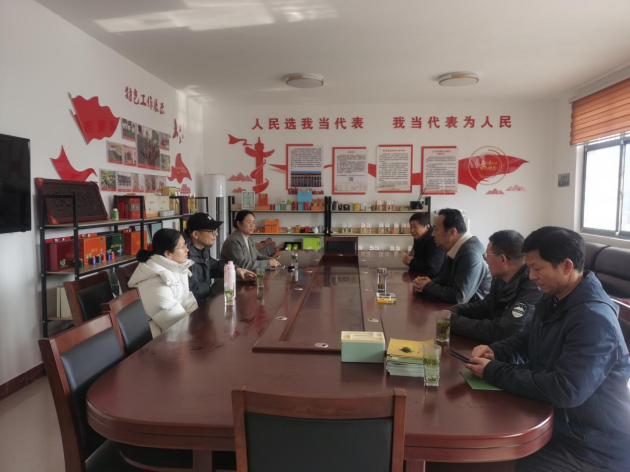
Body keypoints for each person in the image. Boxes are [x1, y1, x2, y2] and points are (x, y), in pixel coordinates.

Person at [466, 227, 630, 472]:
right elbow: (526, 338)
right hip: (557, 422)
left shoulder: (593, 319)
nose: (531, 276)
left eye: (537, 268)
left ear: (566, 266)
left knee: (496, 462)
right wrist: (496, 351)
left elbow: (565, 389)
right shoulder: (555, 297)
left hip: (591, 446)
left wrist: (494, 371)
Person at [448, 230, 542, 343]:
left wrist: (452, 321)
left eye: (487, 255)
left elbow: (502, 332)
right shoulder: (500, 278)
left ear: (502, 259)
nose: (485, 260)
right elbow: (484, 307)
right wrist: (454, 310)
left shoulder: (532, 288)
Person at [128, 228, 197, 337]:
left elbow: (187, 299)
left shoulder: (175, 268)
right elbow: (175, 323)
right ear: (168, 254)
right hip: (158, 340)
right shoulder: (153, 283)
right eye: (182, 247)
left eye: (186, 245)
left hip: (177, 333)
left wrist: (197, 321)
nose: (187, 250)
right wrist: (196, 325)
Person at [413, 208, 491, 304]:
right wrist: (428, 282)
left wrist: (427, 286)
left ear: (452, 232)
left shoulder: (470, 253)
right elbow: (444, 279)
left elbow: (459, 296)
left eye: (436, 229)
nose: (432, 234)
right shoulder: (456, 246)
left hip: (474, 309)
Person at [184, 212, 255, 303]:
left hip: (206, 300)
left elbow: (214, 266)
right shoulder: (184, 255)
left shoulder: (202, 249)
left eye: (215, 230)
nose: (216, 234)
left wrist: (236, 270)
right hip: (195, 306)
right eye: (211, 231)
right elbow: (190, 291)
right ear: (196, 234)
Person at [402, 212, 445, 277]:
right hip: (422, 276)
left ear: (427, 227)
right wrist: (409, 260)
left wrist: (411, 262)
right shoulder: (418, 237)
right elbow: (417, 259)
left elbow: (431, 269)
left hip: (436, 279)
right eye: (411, 227)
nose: (412, 230)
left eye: (415, 227)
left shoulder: (435, 239)